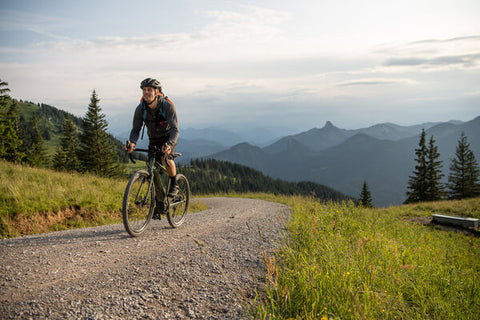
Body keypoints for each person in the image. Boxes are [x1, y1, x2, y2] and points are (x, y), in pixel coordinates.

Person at [125, 78, 179, 197]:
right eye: (144, 90)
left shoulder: (167, 106)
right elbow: (135, 130)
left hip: (167, 137)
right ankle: (158, 203)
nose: (146, 92)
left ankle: (174, 184)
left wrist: (169, 145)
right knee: (152, 169)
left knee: (167, 159)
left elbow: (175, 129)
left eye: (149, 90)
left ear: (157, 92)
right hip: (153, 139)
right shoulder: (140, 109)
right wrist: (132, 143)